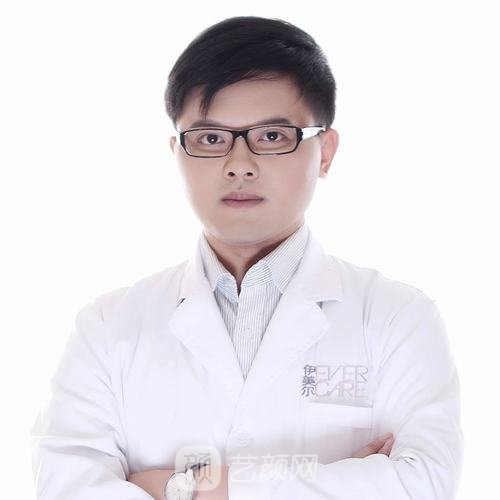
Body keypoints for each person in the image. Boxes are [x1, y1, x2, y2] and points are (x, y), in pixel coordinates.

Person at [30, 15, 463, 500]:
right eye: (211, 139)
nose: (239, 165)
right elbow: (68, 488)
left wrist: (185, 489)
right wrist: (340, 482)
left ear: (325, 152)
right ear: (177, 153)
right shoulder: (107, 328)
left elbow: (423, 485)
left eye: (272, 136)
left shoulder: (397, 318)